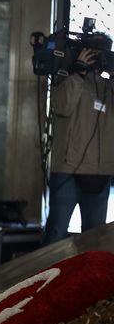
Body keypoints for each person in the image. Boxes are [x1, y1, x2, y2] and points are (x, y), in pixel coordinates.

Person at [44, 46, 114, 244]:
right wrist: (79, 72)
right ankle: (50, 274)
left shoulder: (108, 86)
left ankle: (86, 276)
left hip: (100, 173)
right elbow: (62, 107)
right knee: (56, 233)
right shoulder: (68, 80)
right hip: (69, 170)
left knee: (94, 238)